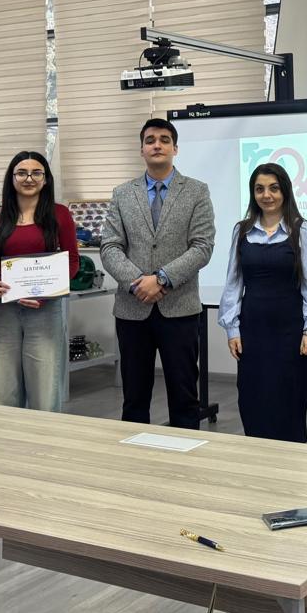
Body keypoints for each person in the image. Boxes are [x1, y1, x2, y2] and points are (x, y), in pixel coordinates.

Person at [101, 119, 216, 429]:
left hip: (179, 308)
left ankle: (186, 453)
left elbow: (202, 246)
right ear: (141, 149)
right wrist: (138, 283)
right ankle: (135, 456)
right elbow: (110, 247)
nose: (157, 145)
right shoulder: (122, 194)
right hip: (132, 309)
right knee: (134, 397)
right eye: (150, 140)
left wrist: (162, 278)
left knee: (184, 396)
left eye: (164, 139)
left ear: (175, 148)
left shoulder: (196, 191)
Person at [218, 162, 307, 442]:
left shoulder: (302, 229)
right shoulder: (242, 231)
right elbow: (233, 283)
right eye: (259, 189)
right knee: (252, 403)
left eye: (273, 188)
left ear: (285, 191)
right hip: (252, 333)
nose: (266, 195)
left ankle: (292, 465)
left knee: (288, 407)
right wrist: (232, 329)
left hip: (290, 334)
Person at [0, 151, 78, 412]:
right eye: (22, 173)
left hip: (44, 310)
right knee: (3, 392)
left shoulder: (60, 215)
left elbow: (72, 262)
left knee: (45, 391)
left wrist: (46, 293)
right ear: (11, 178)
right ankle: (7, 437)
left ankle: (44, 438)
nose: (29, 178)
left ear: (46, 179)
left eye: (36, 173)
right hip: (3, 311)